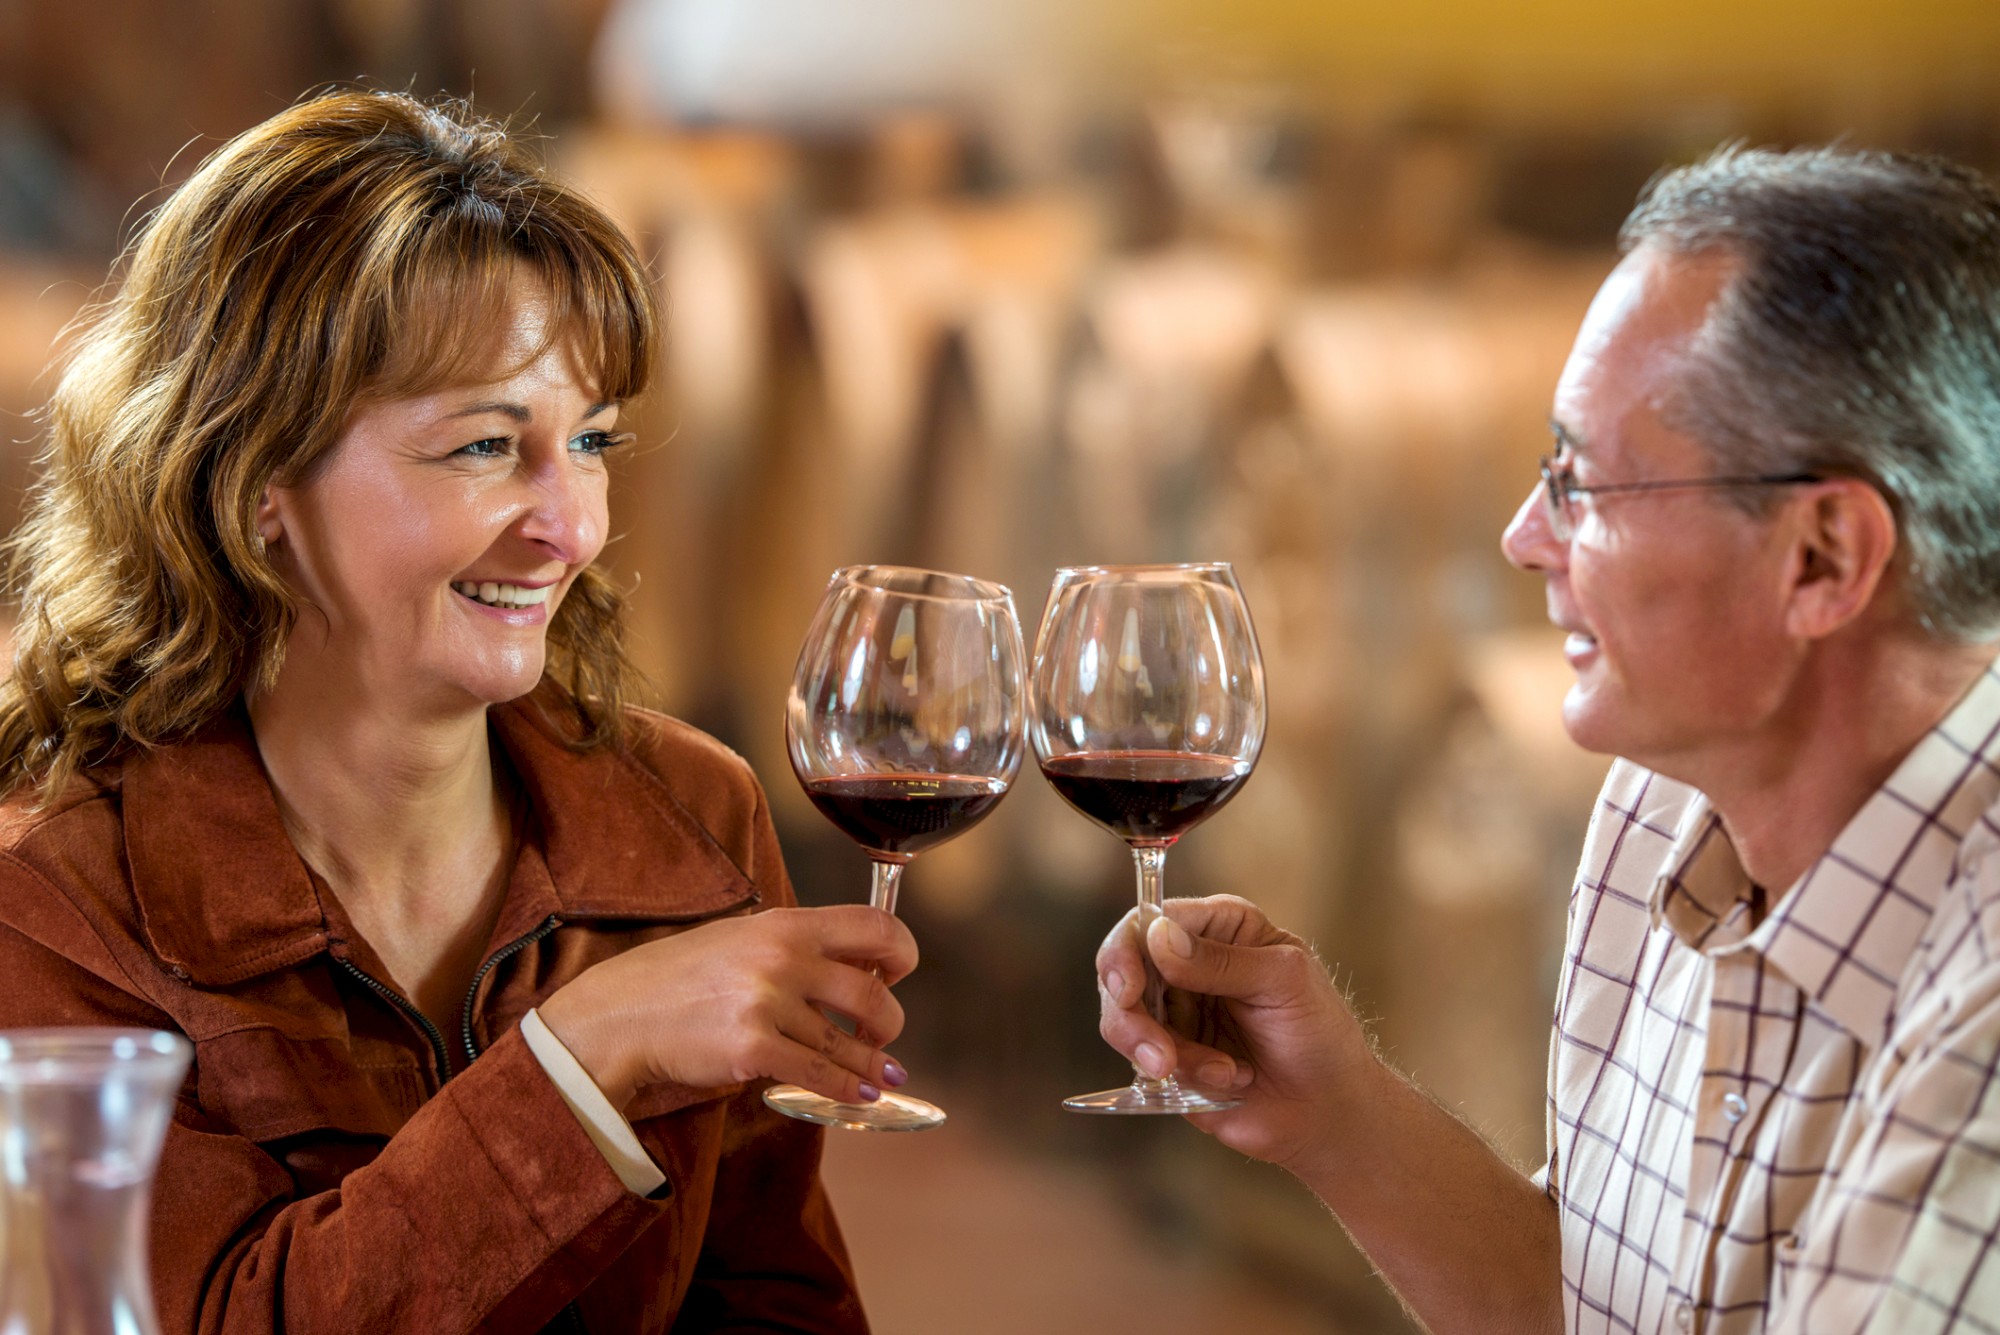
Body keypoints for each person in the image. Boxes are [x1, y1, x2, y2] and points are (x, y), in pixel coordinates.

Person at [0, 89, 917, 1333]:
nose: (573, 527)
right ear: (256, 477)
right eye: (486, 447)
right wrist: (585, 1062)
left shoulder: (691, 816)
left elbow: (775, 1308)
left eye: (588, 440)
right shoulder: (54, 897)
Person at [1098, 145, 2000, 1334]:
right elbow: (1585, 1306)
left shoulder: (1977, 1022)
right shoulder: (1655, 811)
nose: (1525, 537)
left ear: (1821, 557)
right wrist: (1342, 1117)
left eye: (1581, 484)